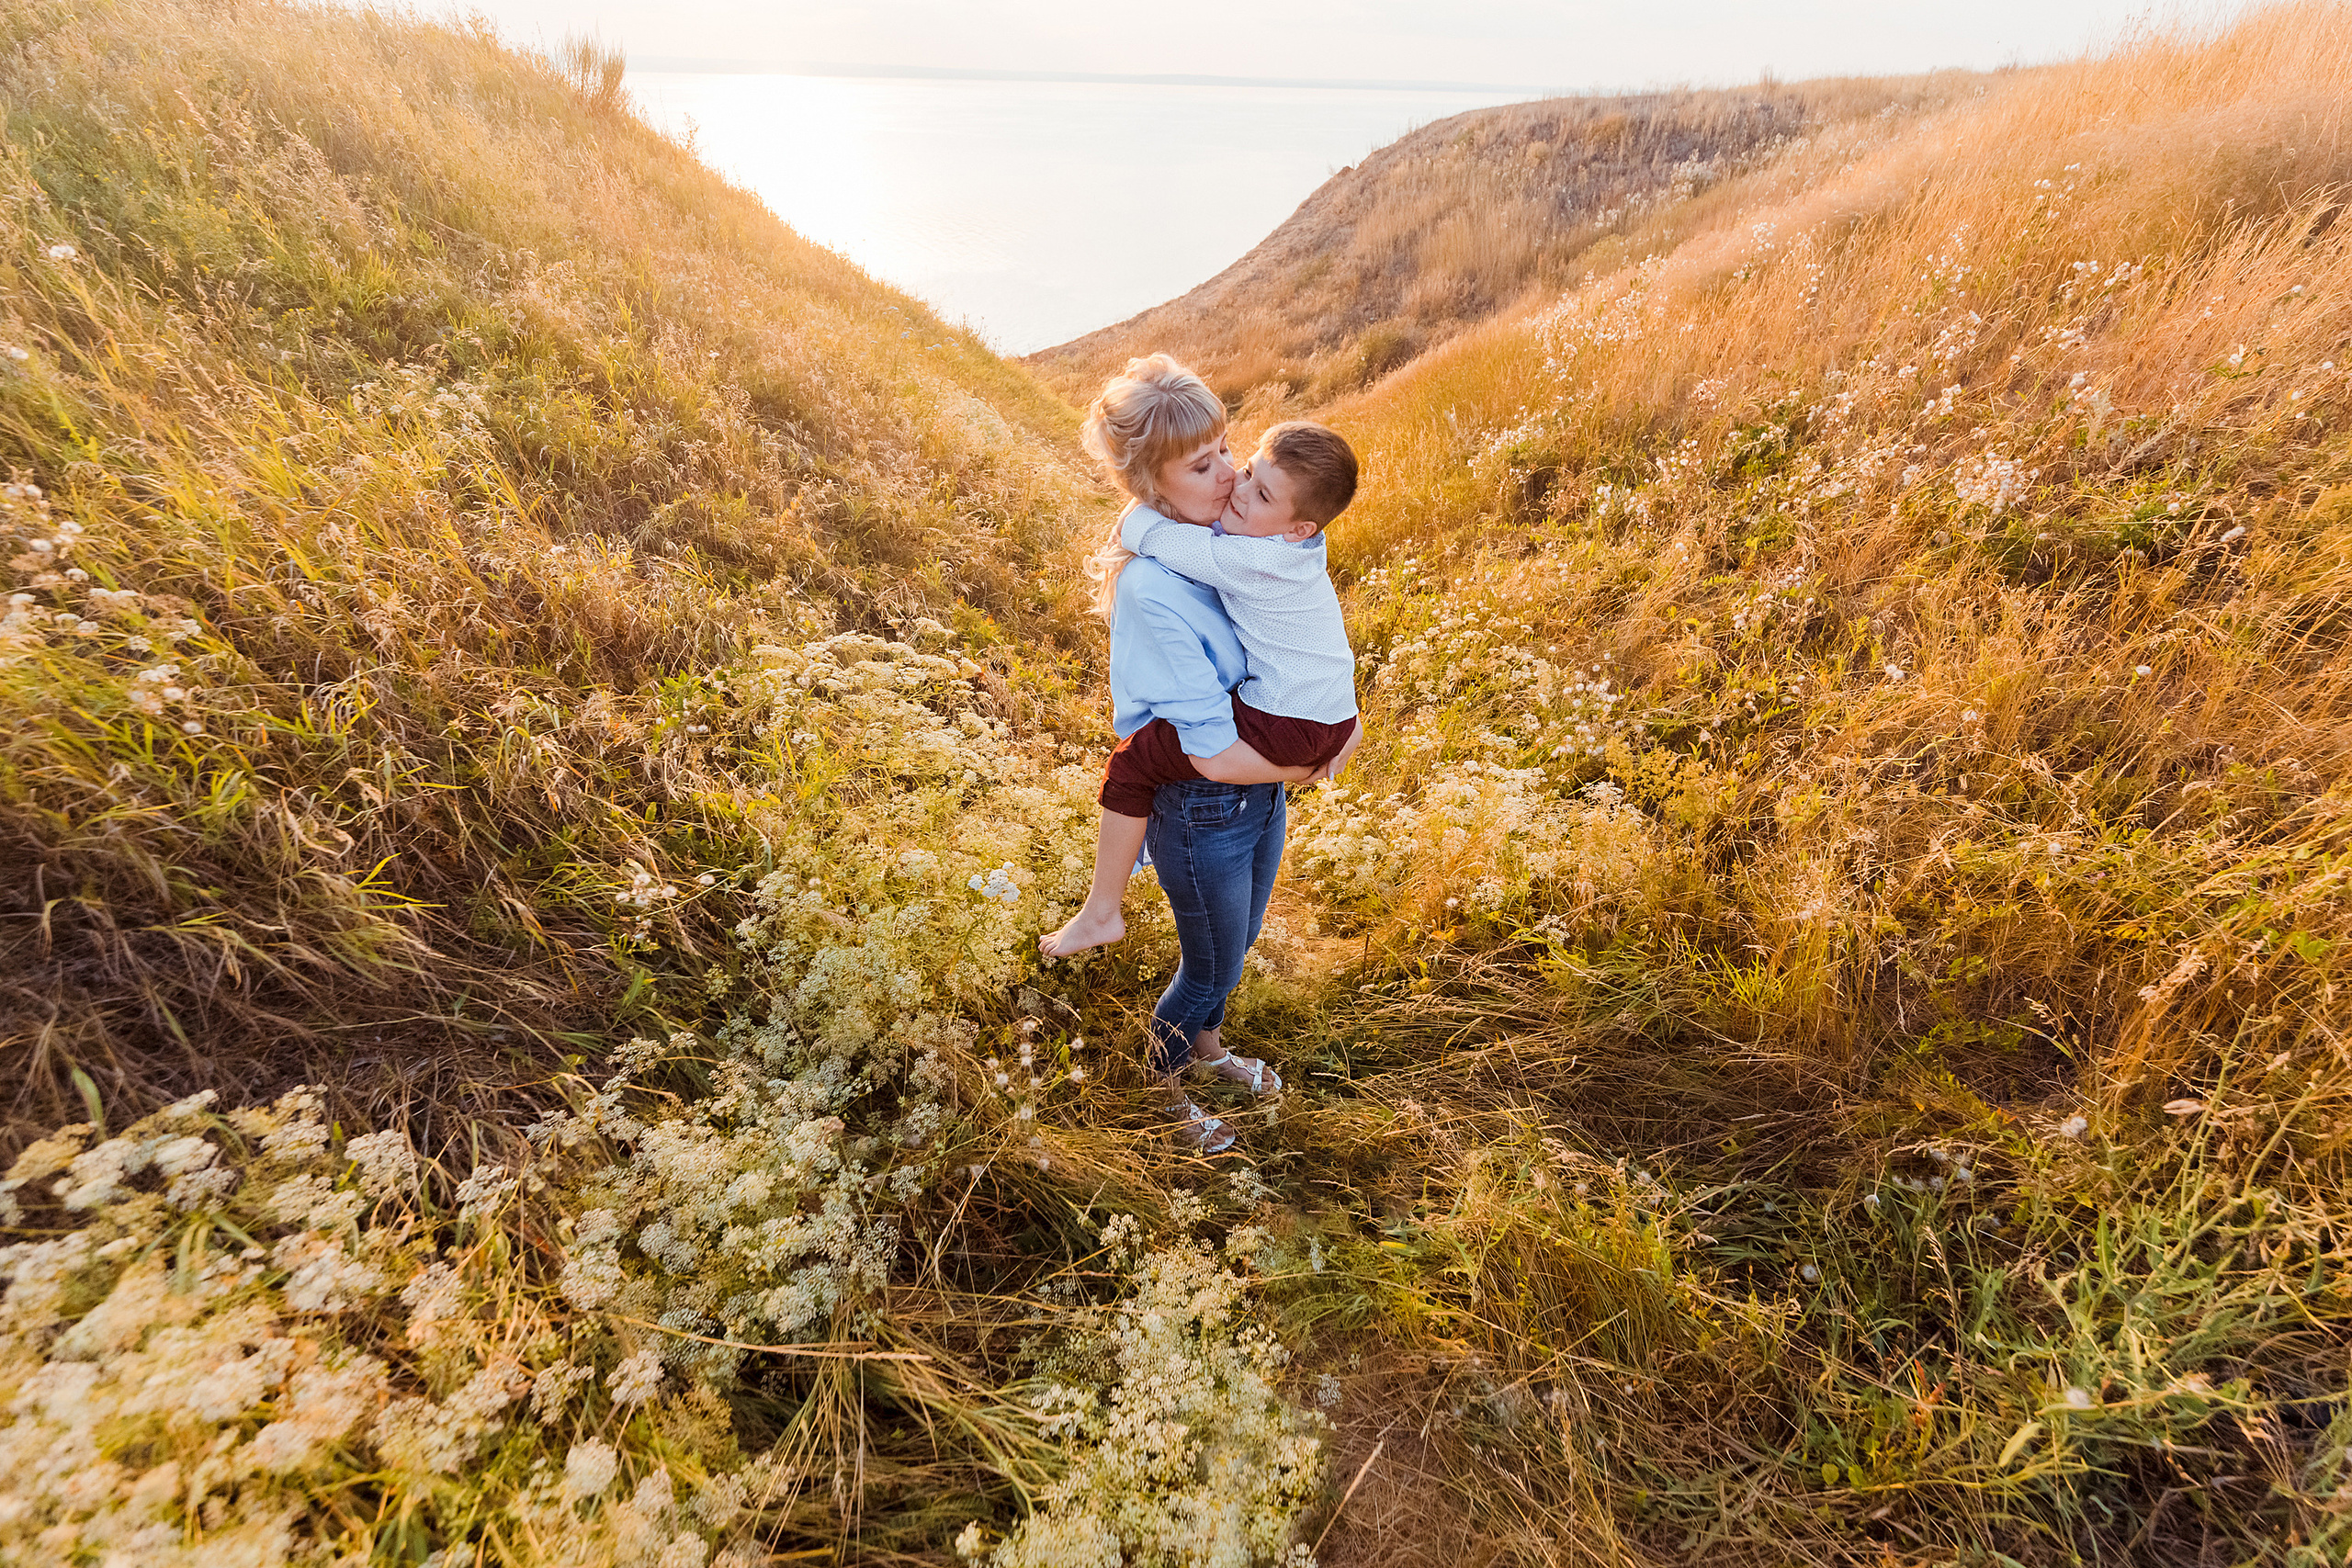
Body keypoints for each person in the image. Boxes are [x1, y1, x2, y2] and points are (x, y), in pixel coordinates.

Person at [1039, 355, 1362, 1152]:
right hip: (1205, 803)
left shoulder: (1228, 535)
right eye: (1202, 463)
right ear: (1151, 487)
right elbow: (1212, 753)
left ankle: (1208, 1049)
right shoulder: (1158, 584)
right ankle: (1160, 1088)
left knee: (1236, 943)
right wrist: (1301, 763)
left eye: (1227, 450)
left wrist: (1337, 724)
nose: (1227, 473)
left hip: (1258, 794)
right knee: (1210, 967)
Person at [1040, 419, 1363, 957]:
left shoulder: (1250, 556)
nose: (1235, 484)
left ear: (1298, 527)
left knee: (1131, 763)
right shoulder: (1298, 545)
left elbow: (1147, 534)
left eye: (1258, 491)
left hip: (1290, 725)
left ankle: (1102, 911)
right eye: (1247, 468)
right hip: (1330, 712)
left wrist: (1145, 491)